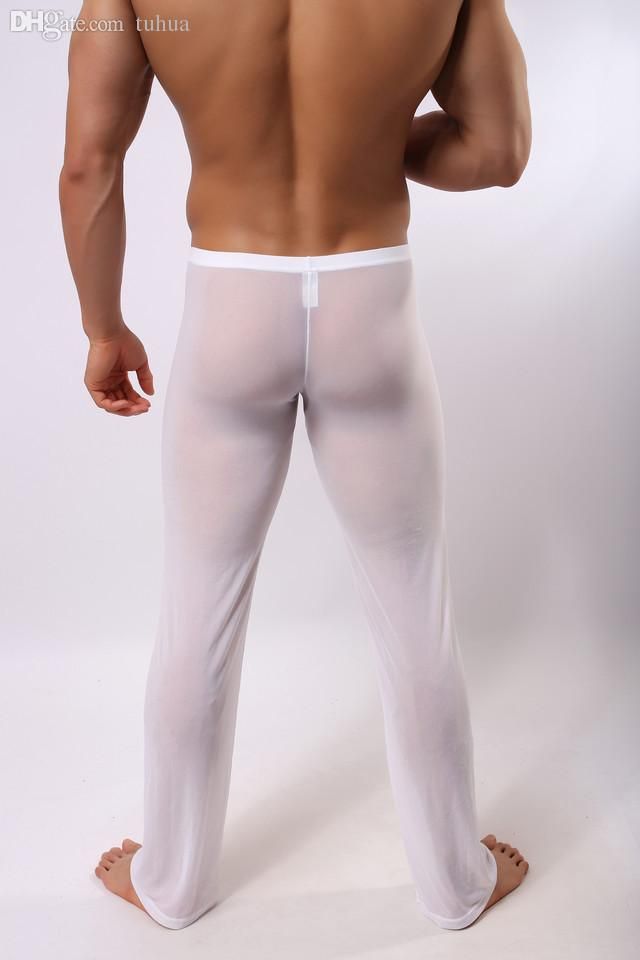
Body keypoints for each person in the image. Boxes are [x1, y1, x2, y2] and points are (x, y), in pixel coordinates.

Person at [59, 0, 532, 932]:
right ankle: (456, 883)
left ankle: (172, 884)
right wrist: (371, 137)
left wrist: (102, 327)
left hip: (231, 297)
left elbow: (88, 162)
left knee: (198, 600)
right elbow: (499, 149)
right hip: (370, 299)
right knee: (414, 601)